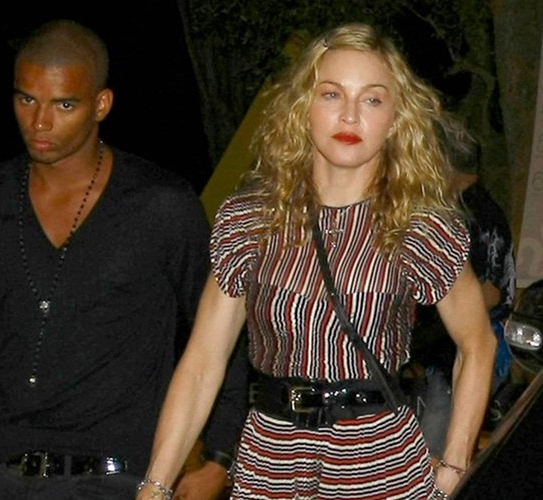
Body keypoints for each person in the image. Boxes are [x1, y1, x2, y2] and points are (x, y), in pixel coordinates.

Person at [136, 22, 497, 500]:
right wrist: (155, 486)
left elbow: (478, 344)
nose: (349, 115)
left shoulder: (420, 226)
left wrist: (454, 467)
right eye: (331, 94)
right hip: (270, 459)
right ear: (302, 106)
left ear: (396, 118)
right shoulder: (251, 218)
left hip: (379, 462)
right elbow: (203, 361)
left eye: (372, 100)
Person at [0, 19, 248, 500]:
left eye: (64, 104)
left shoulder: (160, 205)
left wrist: (219, 454)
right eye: (26, 99)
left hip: (125, 477)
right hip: (13, 475)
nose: (40, 122)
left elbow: (220, 332)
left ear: (101, 105)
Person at [409, 116, 517, 455]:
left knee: (434, 448)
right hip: (452, 352)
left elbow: (491, 293)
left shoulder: (476, 214)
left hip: (471, 350)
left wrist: (444, 311)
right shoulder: (467, 209)